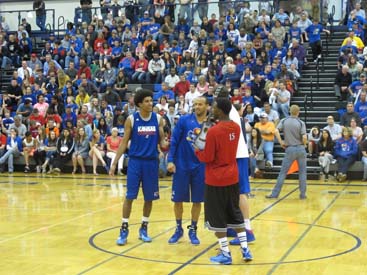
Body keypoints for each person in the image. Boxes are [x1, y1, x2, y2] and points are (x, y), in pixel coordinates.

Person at [195, 98, 252, 264]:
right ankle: (245, 249)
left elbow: (207, 157)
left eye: (214, 108)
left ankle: (226, 254)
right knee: (235, 214)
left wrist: (196, 149)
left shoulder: (214, 131)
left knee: (217, 218)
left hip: (216, 179)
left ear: (220, 110)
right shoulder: (236, 126)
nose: (212, 109)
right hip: (233, 176)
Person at [110, 89, 165, 245]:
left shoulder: (159, 119)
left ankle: (144, 228)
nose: (150, 103)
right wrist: (114, 162)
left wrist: (170, 147)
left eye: (151, 100)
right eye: (147, 101)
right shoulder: (131, 120)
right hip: (135, 162)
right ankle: (124, 228)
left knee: (149, 198)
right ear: (140, 104)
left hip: (151, 163)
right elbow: (123, 143)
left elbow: (163, 142)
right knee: (130, 197)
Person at [166, 97, 208, 245]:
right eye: (195, 104)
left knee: (197, 200)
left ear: (206, 106)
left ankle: (193, 229)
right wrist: (170, 160)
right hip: (181, 164)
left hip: (201, 166)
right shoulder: (184, 120)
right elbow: (174, 140)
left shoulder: (211, 124)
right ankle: (178, 229)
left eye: (200, 104)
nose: (197, 106)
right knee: (177, 200)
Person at [266, 105, 308, 199]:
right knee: (302, 173)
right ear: (298, 112)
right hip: (301, 149)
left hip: (289, 149)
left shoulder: (284, 120)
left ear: (289, 111)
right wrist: (304, 144)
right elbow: (304, 137)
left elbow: (276, 131)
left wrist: (281, 142)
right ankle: (302, 195)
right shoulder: (301, 122)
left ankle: (274, 194)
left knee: (283, 173)